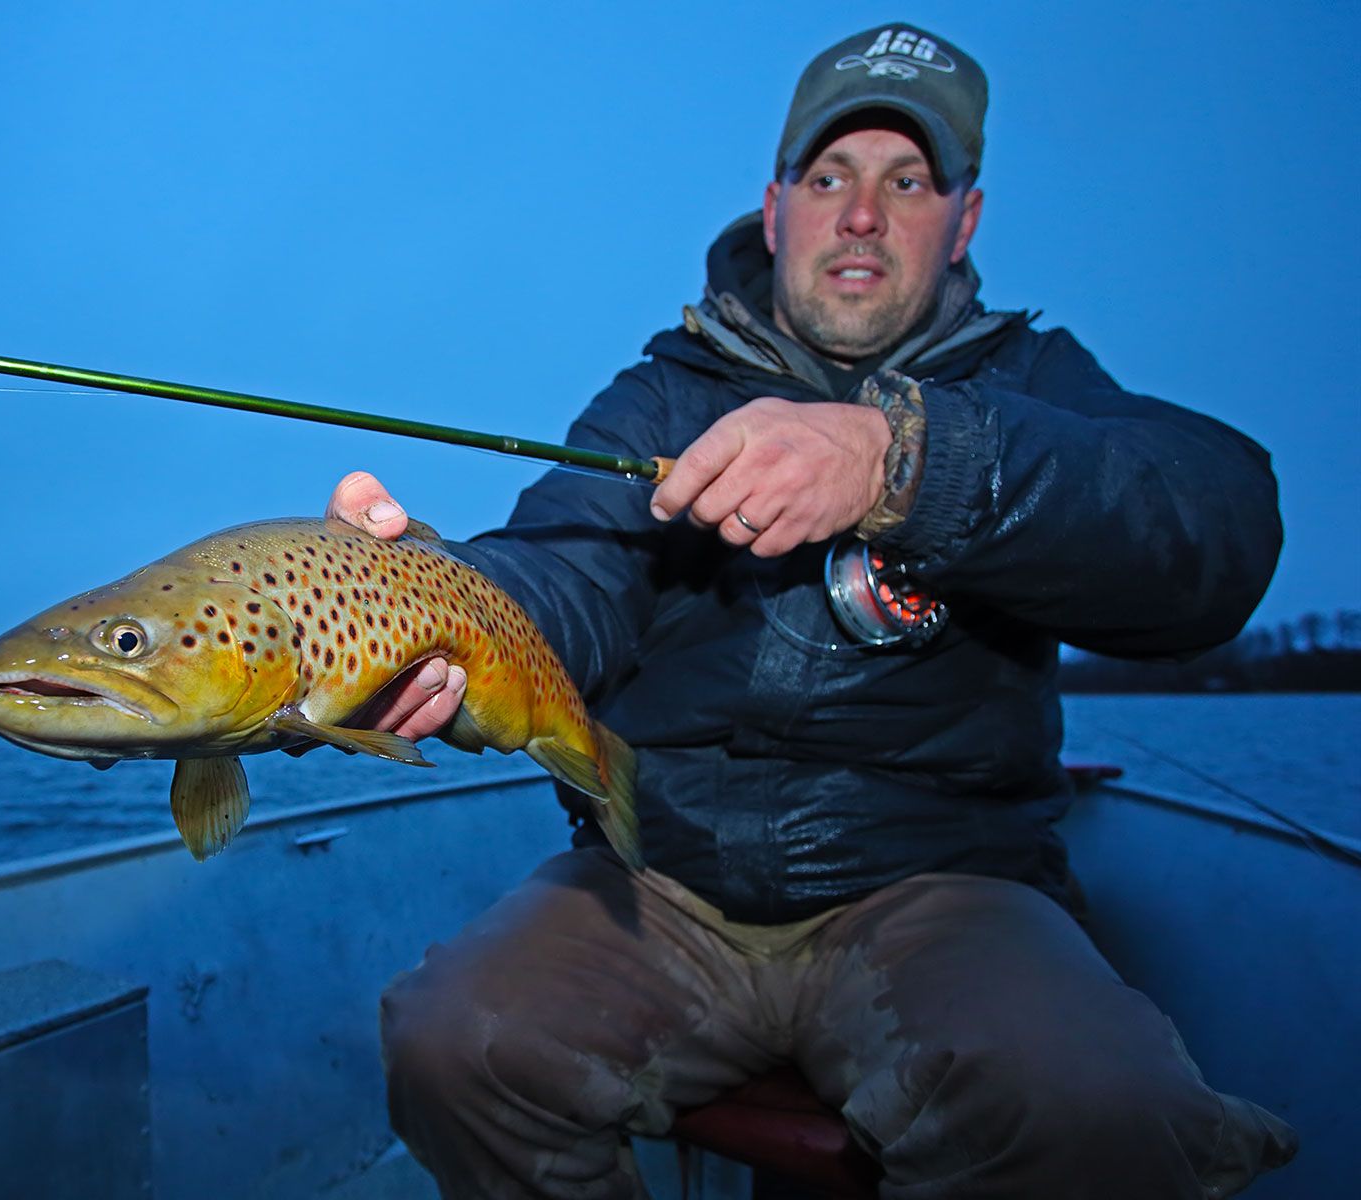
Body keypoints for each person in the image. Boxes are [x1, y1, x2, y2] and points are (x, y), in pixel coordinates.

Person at [328, 23, 1298, 1200]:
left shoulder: (1035, 384)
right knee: (450, 1041)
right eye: (830, 177)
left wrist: (905, 462)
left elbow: (1216, 520)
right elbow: (562, 567)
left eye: (908, 182)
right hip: (661, 880)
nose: (861, 216)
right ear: (776, 206)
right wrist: (439, 602)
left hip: (948, 886)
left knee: (1104, 1107)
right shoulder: (661, 396)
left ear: (967, 223)